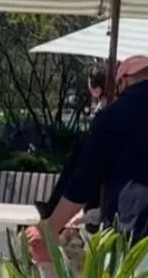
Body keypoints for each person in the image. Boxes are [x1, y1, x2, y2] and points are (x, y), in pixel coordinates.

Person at [31, 55, 148, 252]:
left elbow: (82, 183)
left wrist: (49, 229)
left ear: (123, 80)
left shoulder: (111, 117)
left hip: (135, 235)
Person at [37, 65, 109, 220]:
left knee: (79, 155)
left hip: (97, 187)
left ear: (96, 89)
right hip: (97, 186)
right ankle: (53, 207)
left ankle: (53, 207)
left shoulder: (105, 113)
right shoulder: (109, 109)